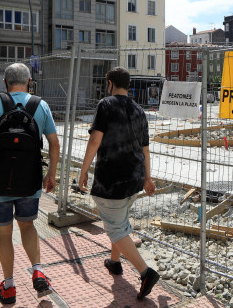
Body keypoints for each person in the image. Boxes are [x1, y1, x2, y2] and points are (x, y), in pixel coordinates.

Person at [0, 63, 60, 304]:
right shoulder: (41, 105)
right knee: (27, 226)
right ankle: (38, 271)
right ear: (29, 81)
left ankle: (8, 287)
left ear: (5, 83)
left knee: (4, 232)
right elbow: (53, 143)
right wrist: (50, 173)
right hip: (29, 181)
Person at [79, 67, 160, 300]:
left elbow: (95, 140)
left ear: (110, 82)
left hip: (111, 179)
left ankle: (146, 273)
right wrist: (147, 177)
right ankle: (114, 262)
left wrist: (83, 172)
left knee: (115, 227)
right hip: (134, 177)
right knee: (120, 221)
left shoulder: (105, 104)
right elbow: (145, 149)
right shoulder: (139, 110)